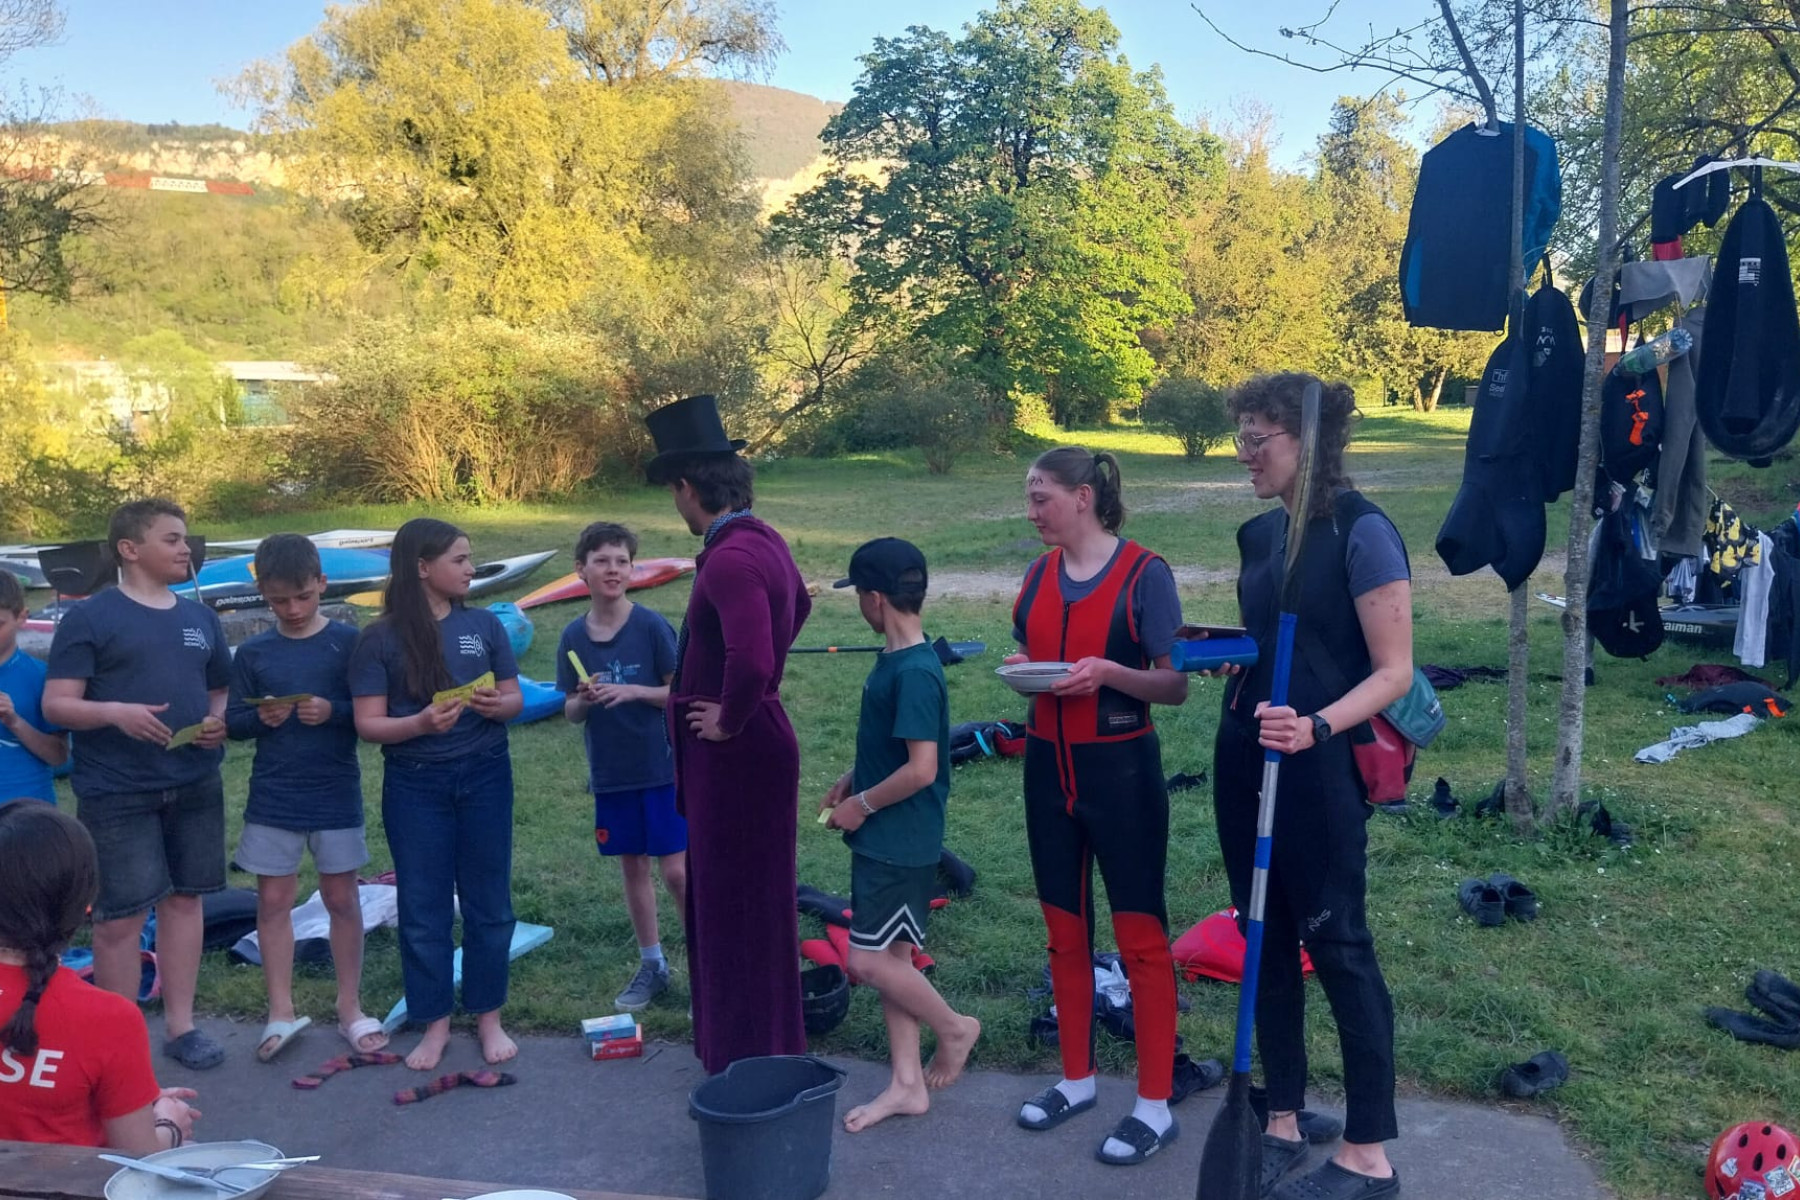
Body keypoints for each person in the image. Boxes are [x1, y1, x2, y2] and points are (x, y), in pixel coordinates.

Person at [1212, 372, 1410, 1199]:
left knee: (1338, 946)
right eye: (1241, 438)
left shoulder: (1363, 531)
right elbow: (1270, 638)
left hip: (1317, 767)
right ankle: (1284, 1115)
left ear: (1310, 440)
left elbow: (1394, 671)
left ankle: (1369, 1147)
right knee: (1265, 938)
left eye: (1259, 438)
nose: (1245, 454)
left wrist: (1320, 724)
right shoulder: (1259, 535)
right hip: (1244, 757)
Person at [1006, 448, 1190, 1166]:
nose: (1032, 511)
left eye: (1041, 497)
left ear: (1084, 497)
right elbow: (1030, 650)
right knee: (1062, 931)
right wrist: (1024, 673)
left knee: (1142, 941)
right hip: (1048, 773)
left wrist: (1113, 674)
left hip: (1121, 773)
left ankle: (1152, 1104)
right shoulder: (1037, 576)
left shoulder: (1146, 574)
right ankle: (1077, 1080)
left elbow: (1175, 686)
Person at [643, 393, 811, 1074]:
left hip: (736, 756)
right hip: (748, 749)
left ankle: (743, 1057)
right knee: (750, 905)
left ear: (687, 488)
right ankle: (759, 1046)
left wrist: (731, 712)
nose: (676, 508)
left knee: (732, 908)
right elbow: (797, 605)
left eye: (674, 494)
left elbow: (755, 656)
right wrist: (755, 693)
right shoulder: (761, 538)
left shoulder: (730, 558)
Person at [42, 498, 232, 1071]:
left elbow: (219, 687)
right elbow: (57, 705)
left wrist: (218, 724)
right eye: (172, 539)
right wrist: (117, 713)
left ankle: (182, 1026)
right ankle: (118, 1038)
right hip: (117, 791)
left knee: (184, 901)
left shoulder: (200, 618)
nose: (185, 548)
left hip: (195, 781)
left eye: (185, 538)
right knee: (120, 917)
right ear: (130, 549)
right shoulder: (89, 619)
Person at [349, 517, 524, 1072]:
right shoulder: (378, 639)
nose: (472, 569)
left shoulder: (486, 626)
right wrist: (421, 724)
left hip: (486, 776)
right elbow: (368, 725)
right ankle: (436, 1024)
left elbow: (515, 695)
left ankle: (488, 1015)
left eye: (471, 558)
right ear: (422, 568)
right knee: (422, 908)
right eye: (460, 560)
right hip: (415, 784)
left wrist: (502, 706)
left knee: (489, 902)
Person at [819, 538, 981, 1132]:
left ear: (875, 598)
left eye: (859, 593)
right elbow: (896, 750)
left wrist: (861, 804)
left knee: (866, 961)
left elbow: (922, 769)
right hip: (891, 833)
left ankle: (956, 1028)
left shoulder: (913, 670)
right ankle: (908, 1085)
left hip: (896, 839)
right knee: (894, 958)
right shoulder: (900, 660)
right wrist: (854, 776)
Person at [224, 533, 384, 1062]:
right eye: (278, 601)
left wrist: (331, 711)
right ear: (261, 594)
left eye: (302, 597)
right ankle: (280, 1011)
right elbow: (236, 723)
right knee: (272, 902)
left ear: (322, 582)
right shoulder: (253, 652)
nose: (292, 610)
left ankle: (350, 1008)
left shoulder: (347, 642)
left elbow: (367, 715)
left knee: (343, 899)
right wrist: (260, 717)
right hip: (274, 796)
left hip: (335, 791)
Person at [0, 799, 199, 1151]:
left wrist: (129, 1099)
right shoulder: (108, 1019)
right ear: (84, 905)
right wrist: (170, 1125)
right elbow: (138, 1160)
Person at [555, 521, 685, 1013]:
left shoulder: (651, 627)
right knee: (633, 867)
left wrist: (632, 691)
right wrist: (585, 700)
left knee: (677, 874)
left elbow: (679, 694)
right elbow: (568, 710)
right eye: (602, 561)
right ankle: (653, 964)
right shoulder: (572, 635)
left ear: (633, 569)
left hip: (663, 768)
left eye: (621, 561)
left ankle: (704, 965)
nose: (612, 570)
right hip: (612, 774)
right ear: (581, 570)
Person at [0, 571, 68, 803]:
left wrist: (14, 721)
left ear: (22, 617)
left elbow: (59, 756)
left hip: (27, 810)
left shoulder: (40, 675)